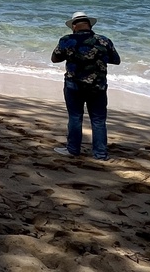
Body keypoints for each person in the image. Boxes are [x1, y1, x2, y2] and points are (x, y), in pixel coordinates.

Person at [51, 11, 121, 160]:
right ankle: (100, 154)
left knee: (75, 117)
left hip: (74, 84)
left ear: (74, 26)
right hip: (98, 86)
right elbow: (116, 60)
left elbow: (55, 58)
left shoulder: (67, 40)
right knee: (98, 120)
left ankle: (73, 149)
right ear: (89, 25)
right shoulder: (104, 41)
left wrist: (71, 54)